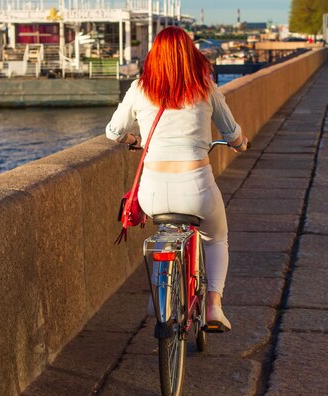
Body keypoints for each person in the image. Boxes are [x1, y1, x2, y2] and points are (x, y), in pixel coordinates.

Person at [105, 27, 248, 332]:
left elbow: (113, 132)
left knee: (164, 233)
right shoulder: (204, 87)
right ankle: (212, 306)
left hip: (152, 192)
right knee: (216, 237)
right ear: (190, 54)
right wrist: (240, 143)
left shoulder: (140, 88)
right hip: (195, 186)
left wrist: (136, 140)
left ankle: (161, 296)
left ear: (153, 56)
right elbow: (231, 133)